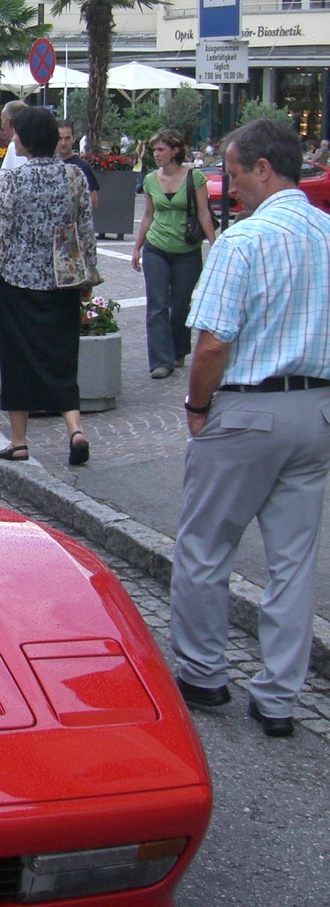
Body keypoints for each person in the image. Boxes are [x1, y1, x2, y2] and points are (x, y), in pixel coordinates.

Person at [170, 119, 330, 737]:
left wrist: (196, 406)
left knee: (206, 546)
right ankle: (281, 697)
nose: (230, 188)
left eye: (234, 174)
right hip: (314, 411)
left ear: (263, 168)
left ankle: (205, 674)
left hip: (247, 406)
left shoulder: (244, 242)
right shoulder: (325, 234)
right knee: (294, 560)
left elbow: (212, 344)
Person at [0, 106, 98, 465]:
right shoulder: (75, 177)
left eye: (16, 133)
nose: (12, 138)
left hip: (20, 281)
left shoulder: (15, 180)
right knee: (62, 356)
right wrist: (88, 275)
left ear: (28, 140)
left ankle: (19, 441)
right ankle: (75, 429)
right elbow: (85, 230)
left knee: (16, 361)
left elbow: (2, 234)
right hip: (62, 280)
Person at [132, 129, 218, 379]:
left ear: (175, 151)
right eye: (154, 150)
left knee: (180, 306)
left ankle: (179, 349)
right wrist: (137, 247)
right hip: (156, 248)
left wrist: (216, 244)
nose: (156, 155)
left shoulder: (195, 177)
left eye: (161, 149)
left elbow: (203, 213)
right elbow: (148, 214)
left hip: (187, 250)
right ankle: (160, 360)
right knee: (157, 306)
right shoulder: (150, 179)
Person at [56, 120, 99, 213]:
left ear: (74, 139)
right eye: (59, 138)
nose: (63, 143)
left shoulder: (83, 167)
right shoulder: (49, 166)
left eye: (67, 138)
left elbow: (94, 202)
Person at [0, 101, 30, 176]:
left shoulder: (16, 147)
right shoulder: (12, 146)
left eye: (2, 120)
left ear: (9, 122)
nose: (1, 126)